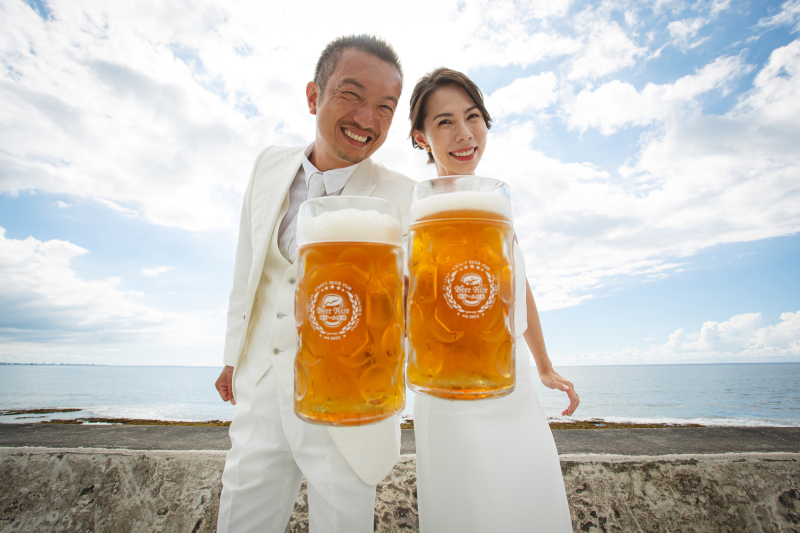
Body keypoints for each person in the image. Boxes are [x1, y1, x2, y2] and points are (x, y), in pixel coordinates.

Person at [214, 35, 415, 533]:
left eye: (385, 107)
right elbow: (248, 262)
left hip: (349, 405)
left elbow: (415, 307)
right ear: (313, 96)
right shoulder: (267, 165)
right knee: (240, 519)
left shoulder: (405, 196)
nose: (367, 119)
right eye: (352, 94)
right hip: (261, 382)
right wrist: (232, 355)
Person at [407, 67, 579, 532]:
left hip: (510, 380)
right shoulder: (415, 208)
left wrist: (543, 365)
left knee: (528, 501)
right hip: (447, 385)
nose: (464, 134)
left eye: (473, 116)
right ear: (420, 137)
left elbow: (517, 288)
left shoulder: (494, 205)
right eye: (443, 122)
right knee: (467, 507)